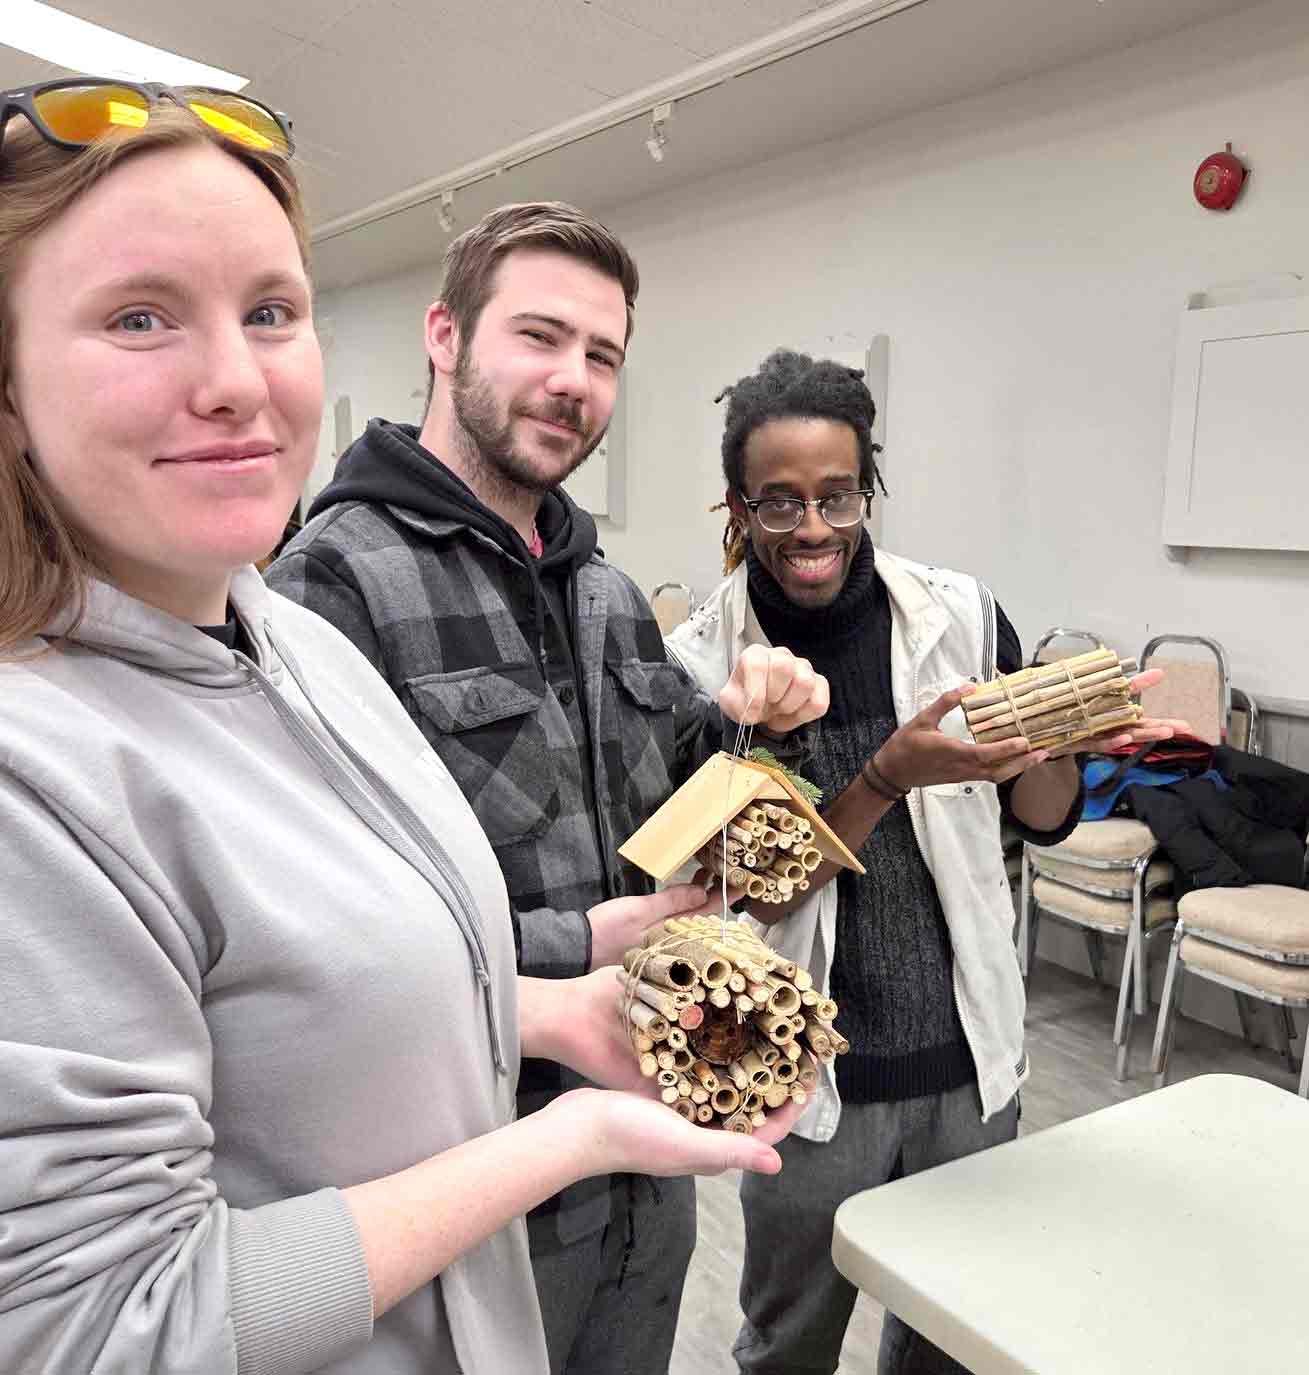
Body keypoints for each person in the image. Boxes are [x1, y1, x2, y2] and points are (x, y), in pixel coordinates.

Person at [0, 86, 807, 1375]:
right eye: (139, 317)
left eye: (271, 312)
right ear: (443, 337)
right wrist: (567, 1097)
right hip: (497, 1194)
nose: (234, 381)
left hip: (578, 1202)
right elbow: (99, 1322)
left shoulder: (289, 641)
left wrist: (562, 1004)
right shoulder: (303, 601)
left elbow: (370, 959)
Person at [267, 201, 827, 1375]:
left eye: (603, 354)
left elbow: (684, 823)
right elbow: (312, 942)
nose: (574, 379)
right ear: (444, 336)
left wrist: (759, 732)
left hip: (645, 1161)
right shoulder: (330, 585)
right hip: (465, 1190)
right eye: (539, 335)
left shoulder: (607, 594)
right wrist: (580, 942)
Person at [665, 349, 1185, 1375]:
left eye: (836, 495)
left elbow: (1040, 820)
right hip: (806, 1083)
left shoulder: (958, 615)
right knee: (788, 1344)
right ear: (737, 506)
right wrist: (883, 775)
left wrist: (1057, 742)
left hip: (965, 1068)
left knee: (948, 1343)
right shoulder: (699, 669)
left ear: (868, 488)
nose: (811, 528)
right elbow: (755, 891)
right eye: (778, 503)